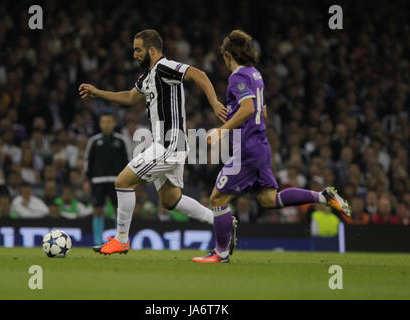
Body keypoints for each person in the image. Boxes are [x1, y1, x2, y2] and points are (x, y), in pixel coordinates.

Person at [192, 30, 352, 263]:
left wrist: (222, 130)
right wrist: (238, 119)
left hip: (246, 150)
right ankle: (322, 196)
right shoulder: (256, 74)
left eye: (223, 58)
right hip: (260, 146)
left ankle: (221, 252)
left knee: (217, 199)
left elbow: (247, 109)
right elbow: (262, 112)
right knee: (269, 200)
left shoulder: (236, 77)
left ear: (227, 55)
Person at [79, 29, 227, 255]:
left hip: (169, 143)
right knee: (170, 200)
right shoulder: (148, 76)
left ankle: (121, 239)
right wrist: (99, 92)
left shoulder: (165, 67)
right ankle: (222, 222)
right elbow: (129, 97)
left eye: (138, 50)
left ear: (152, 50)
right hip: (168, 144)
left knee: (123, 182)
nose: (135, 54)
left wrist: (215, 103)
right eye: (134, 50)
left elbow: (199, 74)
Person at [83, 112, 131, 245]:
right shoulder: (94, 141)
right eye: (104, 122)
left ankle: (121, 241)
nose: (107, 124)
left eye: (109, 122)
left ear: (114, 123)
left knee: (119, 211)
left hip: (118, 181)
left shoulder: (122, 140)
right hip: (98, 180)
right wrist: (87, 180)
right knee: (98, 210)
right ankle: (98, 241)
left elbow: (128, 161)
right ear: (100, 124)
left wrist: (129, 180)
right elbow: (88, 161)